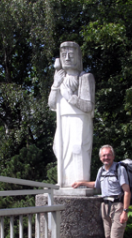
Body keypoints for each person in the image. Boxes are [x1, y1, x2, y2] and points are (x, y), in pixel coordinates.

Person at [72, 144, 131, 238]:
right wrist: (82, 183)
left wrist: (125, 211)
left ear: (113, 156)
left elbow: (127, 191)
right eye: (104, 155)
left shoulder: (119, 169)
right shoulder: (101, 170)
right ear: (100, 158)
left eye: (108, 155)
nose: (106, 157)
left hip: (117, 206)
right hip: (105, 206)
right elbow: (96, 185)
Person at [48, 41, 95, 187]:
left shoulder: (85, 77)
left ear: (78, 57)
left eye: (71, 54)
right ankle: (63, 182)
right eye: (63, 55)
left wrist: (70, 97)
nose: (67, 58)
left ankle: (80, 183)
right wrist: (56, 84)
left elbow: (88, 105)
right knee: (59, 148)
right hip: (63, 120)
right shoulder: (59, 78)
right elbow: (51, 104)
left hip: (79, 119)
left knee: (78, 148)